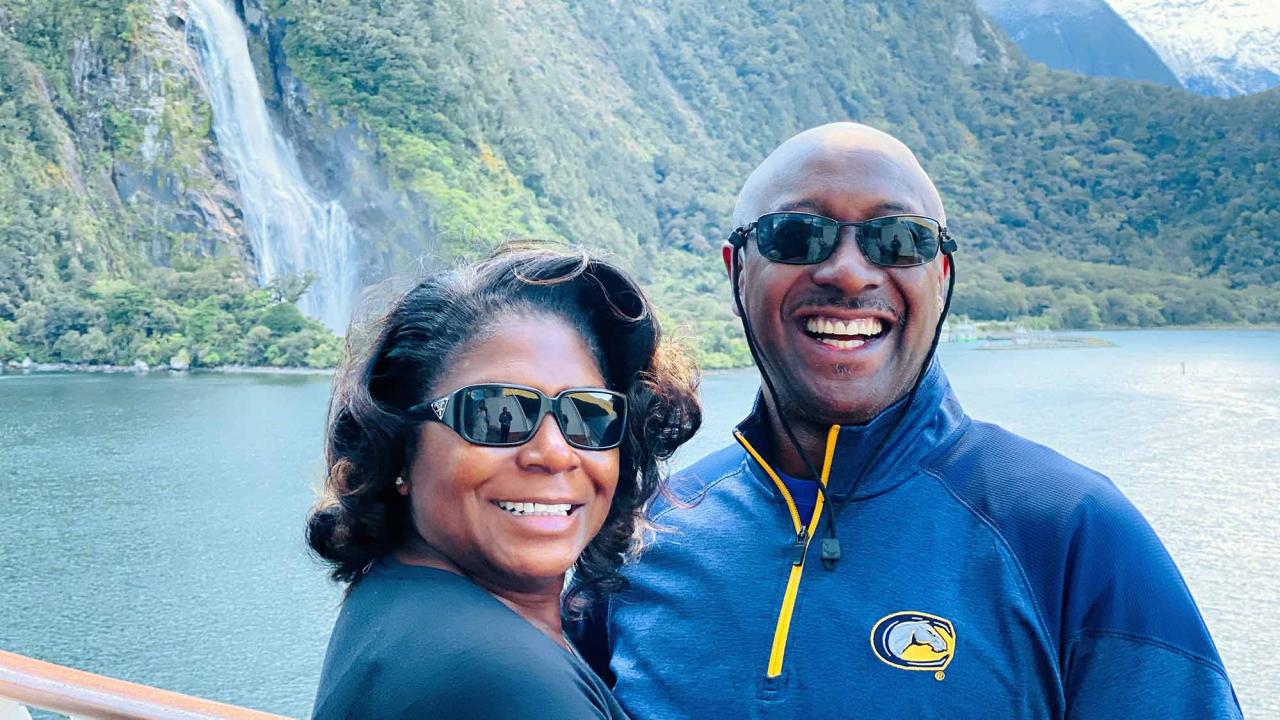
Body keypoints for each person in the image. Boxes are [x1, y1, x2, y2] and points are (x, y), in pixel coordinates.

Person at [585, 123, 1242, 718]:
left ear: (941, 276)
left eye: (897, 240)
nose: (847, 271)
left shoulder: (1071, 532)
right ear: (737, 271)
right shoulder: (646, 536)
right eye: (796, 234)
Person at [308, 242, 700, 719]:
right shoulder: (501, 679)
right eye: (496, 414)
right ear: (400, 449)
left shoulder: (399, 603)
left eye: (589, 415)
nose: (555, 453)